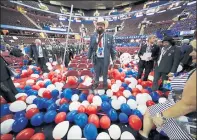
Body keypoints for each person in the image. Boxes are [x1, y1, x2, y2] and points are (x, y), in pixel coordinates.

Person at [139, 44, 197, 140]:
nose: (191, 53)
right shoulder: (161, 49)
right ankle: (146, 134)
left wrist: (173, 71)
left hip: (168, 72)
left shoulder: (176, 49)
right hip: (160, 70)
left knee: (165, 85)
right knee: (157, 82)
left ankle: (163, 91)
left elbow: (189, 104)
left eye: (195, 50)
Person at [88, 17, 116, 89]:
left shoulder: (110, 37)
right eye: (98, 24)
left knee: (105, 73)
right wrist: (88, 57)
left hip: (105, 58)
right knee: (96, 72)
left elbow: (112, 49)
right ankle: (96, 83)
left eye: (102, 25)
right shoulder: (93, 36)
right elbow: (90, 47)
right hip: (96, 58)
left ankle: (105, 84)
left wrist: (114, 58)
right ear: (96, 26)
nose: (100, 26)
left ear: (104, 26)